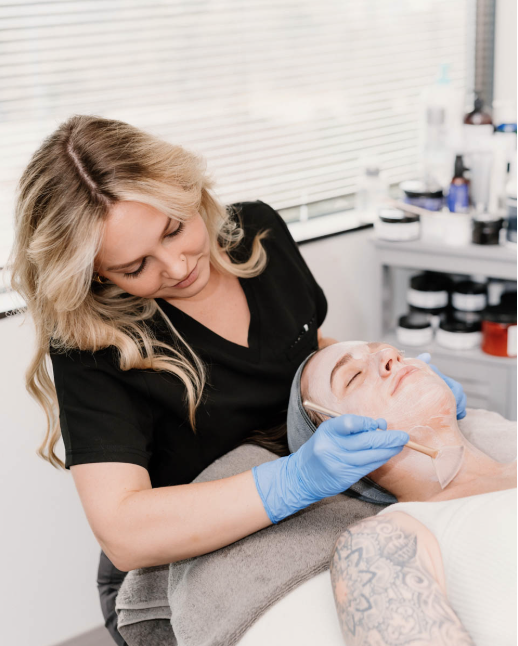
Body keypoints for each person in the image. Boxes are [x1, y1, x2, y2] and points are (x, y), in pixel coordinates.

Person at [8, 115, 465, 646]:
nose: (177, 267)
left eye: (175, 228)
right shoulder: (92, 343)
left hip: (306, 516)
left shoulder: (256, 230)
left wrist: (386, 372)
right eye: (136, 266)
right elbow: (125, 531)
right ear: (97, 275)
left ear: (189, 191)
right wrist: (294, 480)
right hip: (172, 567)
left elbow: (300, 340)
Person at [292, 340, 516, 646]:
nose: (390, 355)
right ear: (341, 447)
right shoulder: (383, 541)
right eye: (353, 376)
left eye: (388, 349)